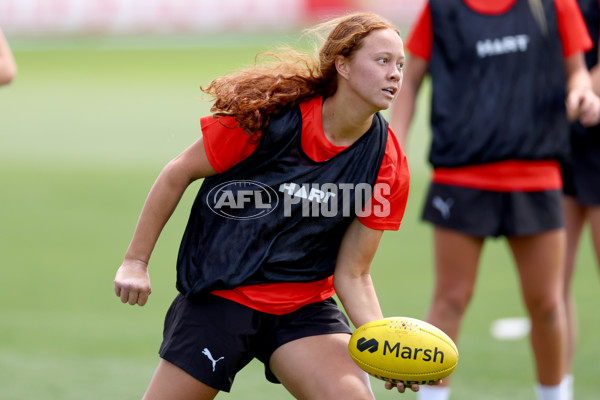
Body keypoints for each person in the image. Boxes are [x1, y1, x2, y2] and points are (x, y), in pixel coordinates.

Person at [114, 12, 416, 400]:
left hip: (304, 308)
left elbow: (354, 274)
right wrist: (136, 261)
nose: (395, 74)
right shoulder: (268, 119)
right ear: (342, 64)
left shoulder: (386, 160)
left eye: (401, 64)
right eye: (382, 60)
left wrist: (384, 347)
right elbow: (178, 172)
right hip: (222, 295)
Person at [390, 1, 600, 399]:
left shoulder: (554, 5)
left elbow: (577, 73)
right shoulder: (441, 9)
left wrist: (582, 94)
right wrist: (394, 144)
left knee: (547, 304)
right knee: (450, 300)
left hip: (536, 175)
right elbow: (410, 78)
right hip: (460, 176)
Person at [560, 1, 600, 399]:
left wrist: (578, 89)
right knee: (555, 280)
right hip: (563, 144)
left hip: (589, 126)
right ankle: (561, 389)